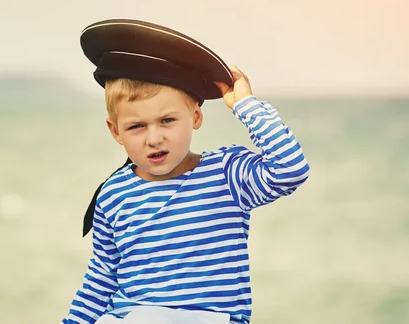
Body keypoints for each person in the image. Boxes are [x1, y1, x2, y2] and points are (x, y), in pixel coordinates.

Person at [62, 19, 310, 324]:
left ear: (195, 116)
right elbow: (100, 280)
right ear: (115, 131)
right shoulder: (113, 195)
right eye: (136, 126)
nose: (154, 138)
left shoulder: (225, 174)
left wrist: (245, 105)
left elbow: (290, 169)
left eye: (167, 120)